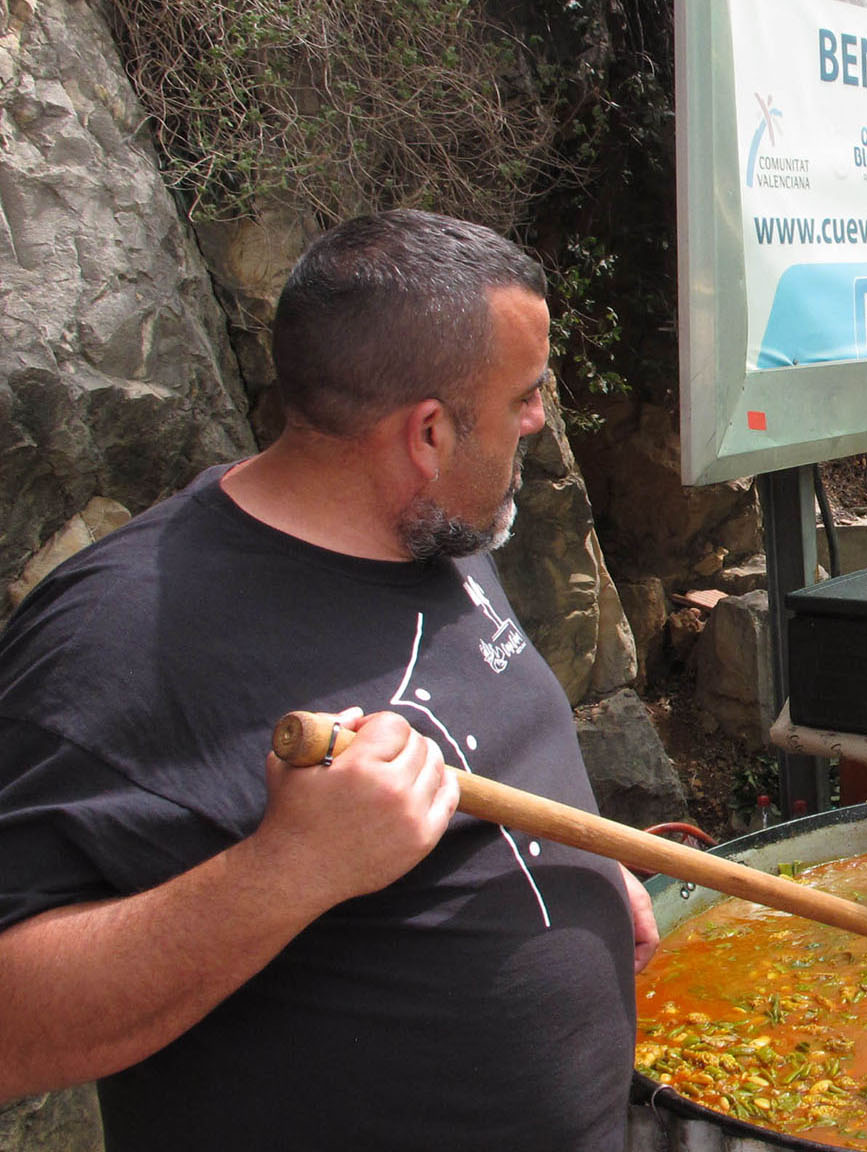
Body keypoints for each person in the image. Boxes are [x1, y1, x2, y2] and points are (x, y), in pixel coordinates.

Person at [0, 210, 654, 1148]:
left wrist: (582, 872)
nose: (539, 419)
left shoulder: (443, 531)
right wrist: (288, 870)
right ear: (426, 434)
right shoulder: (116, 637)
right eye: (524, 395)